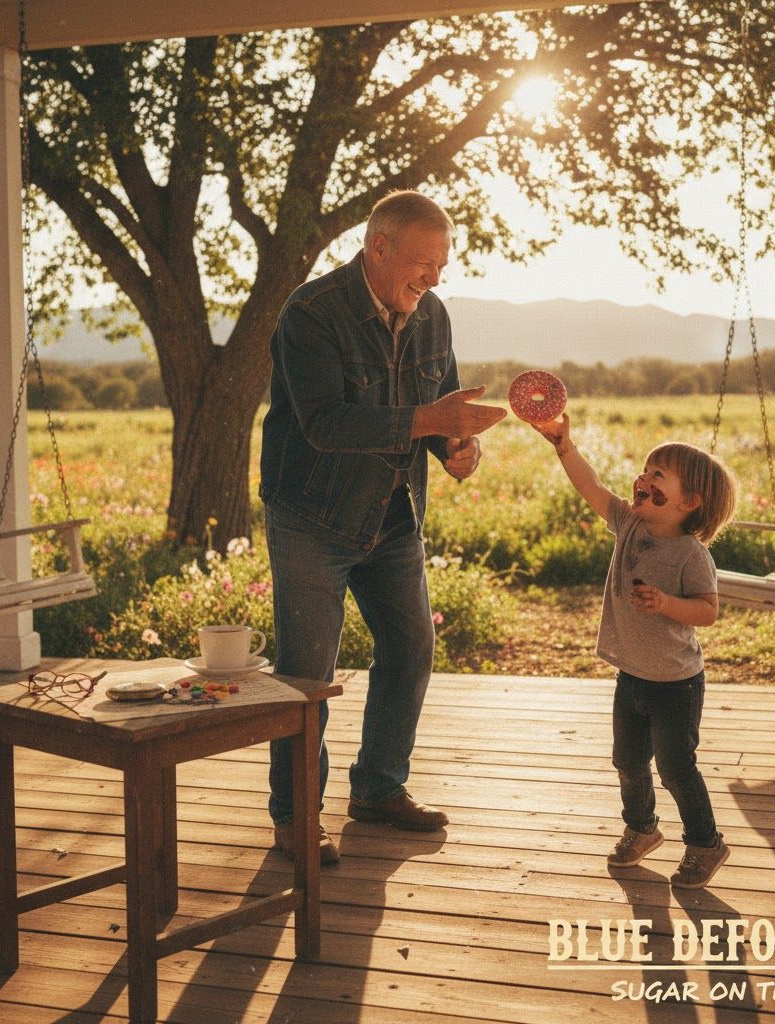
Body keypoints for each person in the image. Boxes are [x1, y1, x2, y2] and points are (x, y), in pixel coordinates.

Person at [259, 190, 506, 864]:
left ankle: (377, 787)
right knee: (307, 674)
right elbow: (325, 423)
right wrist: (431, 423)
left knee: (412, 647)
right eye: (423, 263)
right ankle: (293, 819)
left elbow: (437, 411)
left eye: (440, 266)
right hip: (310, 512)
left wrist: (457, 449)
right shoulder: (311, 313)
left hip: (393, 512)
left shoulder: (433, 317)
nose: (432, 278)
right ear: (379, 248)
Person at [535, 416, 736, 888]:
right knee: (627, 760)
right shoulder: (629, 522)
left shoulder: (691, 555)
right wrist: (565, 446)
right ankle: (641, 829)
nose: (643, 480)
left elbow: (708, 611)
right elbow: (593, 488)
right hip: (632, 675)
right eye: (646, 471)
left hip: (676, 683)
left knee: (675, 767)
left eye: (657, 476)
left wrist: (667, 604)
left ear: (689, 502)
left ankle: (706, 843)